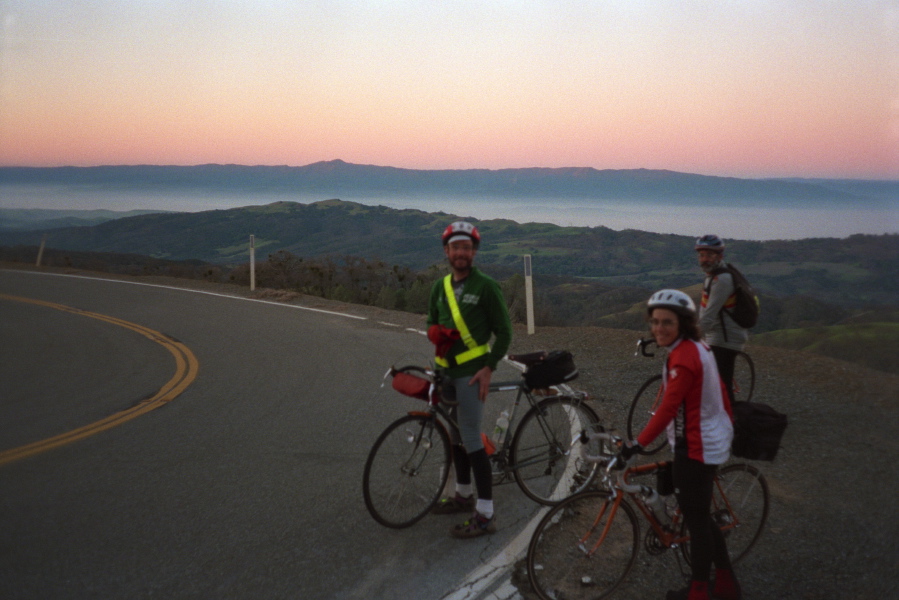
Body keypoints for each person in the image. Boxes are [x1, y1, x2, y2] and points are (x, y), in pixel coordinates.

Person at [619, 289, 741, 600]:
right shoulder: (694, 347)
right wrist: (726, 423)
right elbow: (720, 394)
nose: (659, 328)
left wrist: (636, 443)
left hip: (698, 446)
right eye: (655, 322)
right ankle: (726, 583)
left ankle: (698, 591)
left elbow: (668, 409)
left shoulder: (685, 358)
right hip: (706, 439)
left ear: (683, 324)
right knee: (698, 512)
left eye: (667, 322)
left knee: (696, 521)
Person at [426, 221, 513, 539]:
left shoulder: (487, 287)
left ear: (473, 252)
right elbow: (430, 320)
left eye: (466, 247)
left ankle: (486, 514)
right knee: (455, 438)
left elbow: (504, 332)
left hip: (472, 376)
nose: (460, 252)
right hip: (444, 373)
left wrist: (489, 367)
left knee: (473, 441)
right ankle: (463, 496)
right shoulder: (439, 287)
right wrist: (434, 331)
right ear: (447, 251)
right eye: (455, 247)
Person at [695, 235, 748, 404]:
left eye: (710, 255)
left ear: (720, 256)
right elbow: (705, 312)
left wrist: (692, 335)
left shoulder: (722, 280)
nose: (705, 259)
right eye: (702, 255)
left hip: (725, 340)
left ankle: (732, 426)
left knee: (721, 387)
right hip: (716, 336)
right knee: (714, 383)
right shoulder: (712, 276)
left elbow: (709, 315)